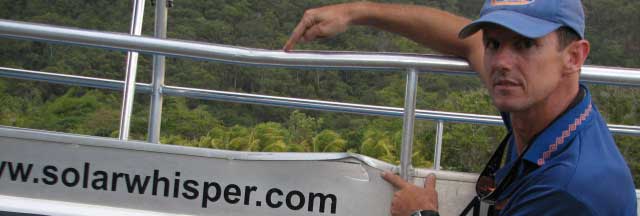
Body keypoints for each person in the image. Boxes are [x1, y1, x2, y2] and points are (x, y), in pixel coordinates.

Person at [284, 0, 637, 215]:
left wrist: (421, 214)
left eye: (526, 44)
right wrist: (356, 12)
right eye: (494, 43)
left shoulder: (570, 188)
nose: (501, 62)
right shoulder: (542, 106)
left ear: (573, 56)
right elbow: (466, 43)